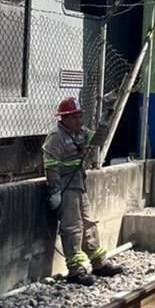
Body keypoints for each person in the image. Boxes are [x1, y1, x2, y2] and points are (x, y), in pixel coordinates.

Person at [42, 97, 124, 286]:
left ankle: (98, 262)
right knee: (72, 227)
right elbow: (51, 165)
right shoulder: (56, 137)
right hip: (65, 186)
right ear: (65, 118)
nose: (79, 120)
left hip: (78, 183)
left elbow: (97, 141)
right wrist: (54, 191)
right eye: (75, 117)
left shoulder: (79, 132)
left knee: (88, 224)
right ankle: (75, 270)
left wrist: (104, 123)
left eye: (80, 116)